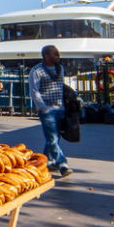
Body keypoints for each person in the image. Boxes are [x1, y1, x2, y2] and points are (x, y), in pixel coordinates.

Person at [29, 45, 72, 177]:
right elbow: (34, 90)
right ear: (46, 56)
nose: (58, 55)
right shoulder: (37, 70)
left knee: (54, 138)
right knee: (52, 138)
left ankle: (45, 162)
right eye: (55, 53)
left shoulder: (60, 69)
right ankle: (62, 164)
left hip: (60, 108)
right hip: (47, 110)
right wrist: (43, 107)